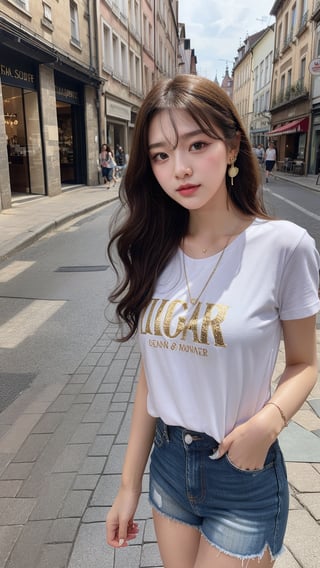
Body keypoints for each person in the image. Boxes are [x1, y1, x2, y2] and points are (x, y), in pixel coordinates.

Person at [105, 74, 319, 568]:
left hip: (240, 468)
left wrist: (267, 425)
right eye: (160, 155)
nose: (179, 168)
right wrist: (127, 485)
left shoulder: (285, 246)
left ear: (231, 147)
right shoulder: (154, 249)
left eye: (196, 144)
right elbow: (151, 378)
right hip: (169, 466)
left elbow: (305, 362)